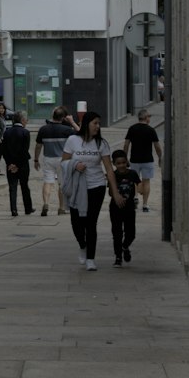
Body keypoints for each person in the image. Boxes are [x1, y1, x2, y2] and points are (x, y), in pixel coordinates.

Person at [61, 109, 124, 271]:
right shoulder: (72, 140)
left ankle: (91, 258)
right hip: (77, 188)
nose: (97, 126)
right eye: (95, 123)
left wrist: (115, 191)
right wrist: (75, 165)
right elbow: (63, 163)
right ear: (87, 124)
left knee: (91, 223)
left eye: (99, 124)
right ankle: (82, 245)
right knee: (77, 223)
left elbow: (109, 169)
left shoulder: (101, 144)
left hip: (96, 186)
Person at [33, 106, 74, 217]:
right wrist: (72, 122)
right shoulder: (66, 130)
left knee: (48, 182)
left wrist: (36, 159)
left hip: (48, 158)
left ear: (53, 116)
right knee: (61, 184)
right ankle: (61, 208)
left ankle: (46, 204)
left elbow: (38, 146)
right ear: (63, 118)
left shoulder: (43, 129)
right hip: (62, 159)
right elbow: (81, 135)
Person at [123, 109, 162, 212]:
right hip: (147, 160)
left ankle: (135, 197)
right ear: (146, 118)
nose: (149, 118)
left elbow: (126, 144)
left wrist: (125, 158)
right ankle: (145, 205)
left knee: (135, 181)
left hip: (134, 160)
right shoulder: (151, 130)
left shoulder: (132, 129)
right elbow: (157, 146)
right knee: (146, 181)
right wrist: (160, 157)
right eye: (149, 116)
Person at [109, 149, 140, 267]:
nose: (121, 165)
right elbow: (110, 192)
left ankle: (125, 246)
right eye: (118, 163)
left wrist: (141, 189)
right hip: (115, 208)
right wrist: (117, 196)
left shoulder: (132, 173)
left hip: (129, 208)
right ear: (114, 164)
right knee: (117, 233)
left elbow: (139, 184)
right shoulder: (113, 175)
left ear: (126, 162)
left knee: (131, 233)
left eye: (123, 162)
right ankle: (118, 257)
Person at [2, 111, 33, 216]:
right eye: (26, 120)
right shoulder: (25, 132)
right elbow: (24, 151)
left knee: (12, 187)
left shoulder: (7, 132)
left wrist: (10, 164)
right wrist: (18, 165)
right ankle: (27, 208)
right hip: (23, 164)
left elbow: (4, 150)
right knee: (24, 186)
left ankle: (13, 209)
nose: (27, 122)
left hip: (10, 165)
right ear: (23, 120)